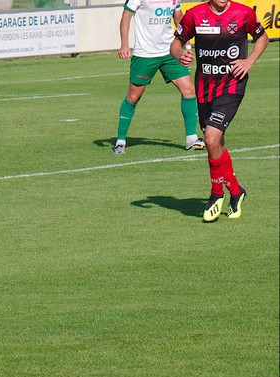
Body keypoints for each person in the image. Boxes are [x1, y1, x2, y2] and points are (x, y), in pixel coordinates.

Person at [171, 0, 268, 221]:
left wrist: (249, 60)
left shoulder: (243, 13)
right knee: (216, 144)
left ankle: (216, 194)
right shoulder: (195, 15)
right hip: (205, 88)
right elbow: (176, 43)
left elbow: (261, 36)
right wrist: (180, 55)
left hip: (233, 85)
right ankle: (236, 191)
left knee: (211, 138)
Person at [113, 0, 205, 154]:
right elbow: (126, 16)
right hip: (145, 54)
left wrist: (187, 47)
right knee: (133, 97)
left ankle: (191, 139)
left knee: (189, 90)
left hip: (169, 52)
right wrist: (124, 44)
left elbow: (179, 19)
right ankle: (120, 140)